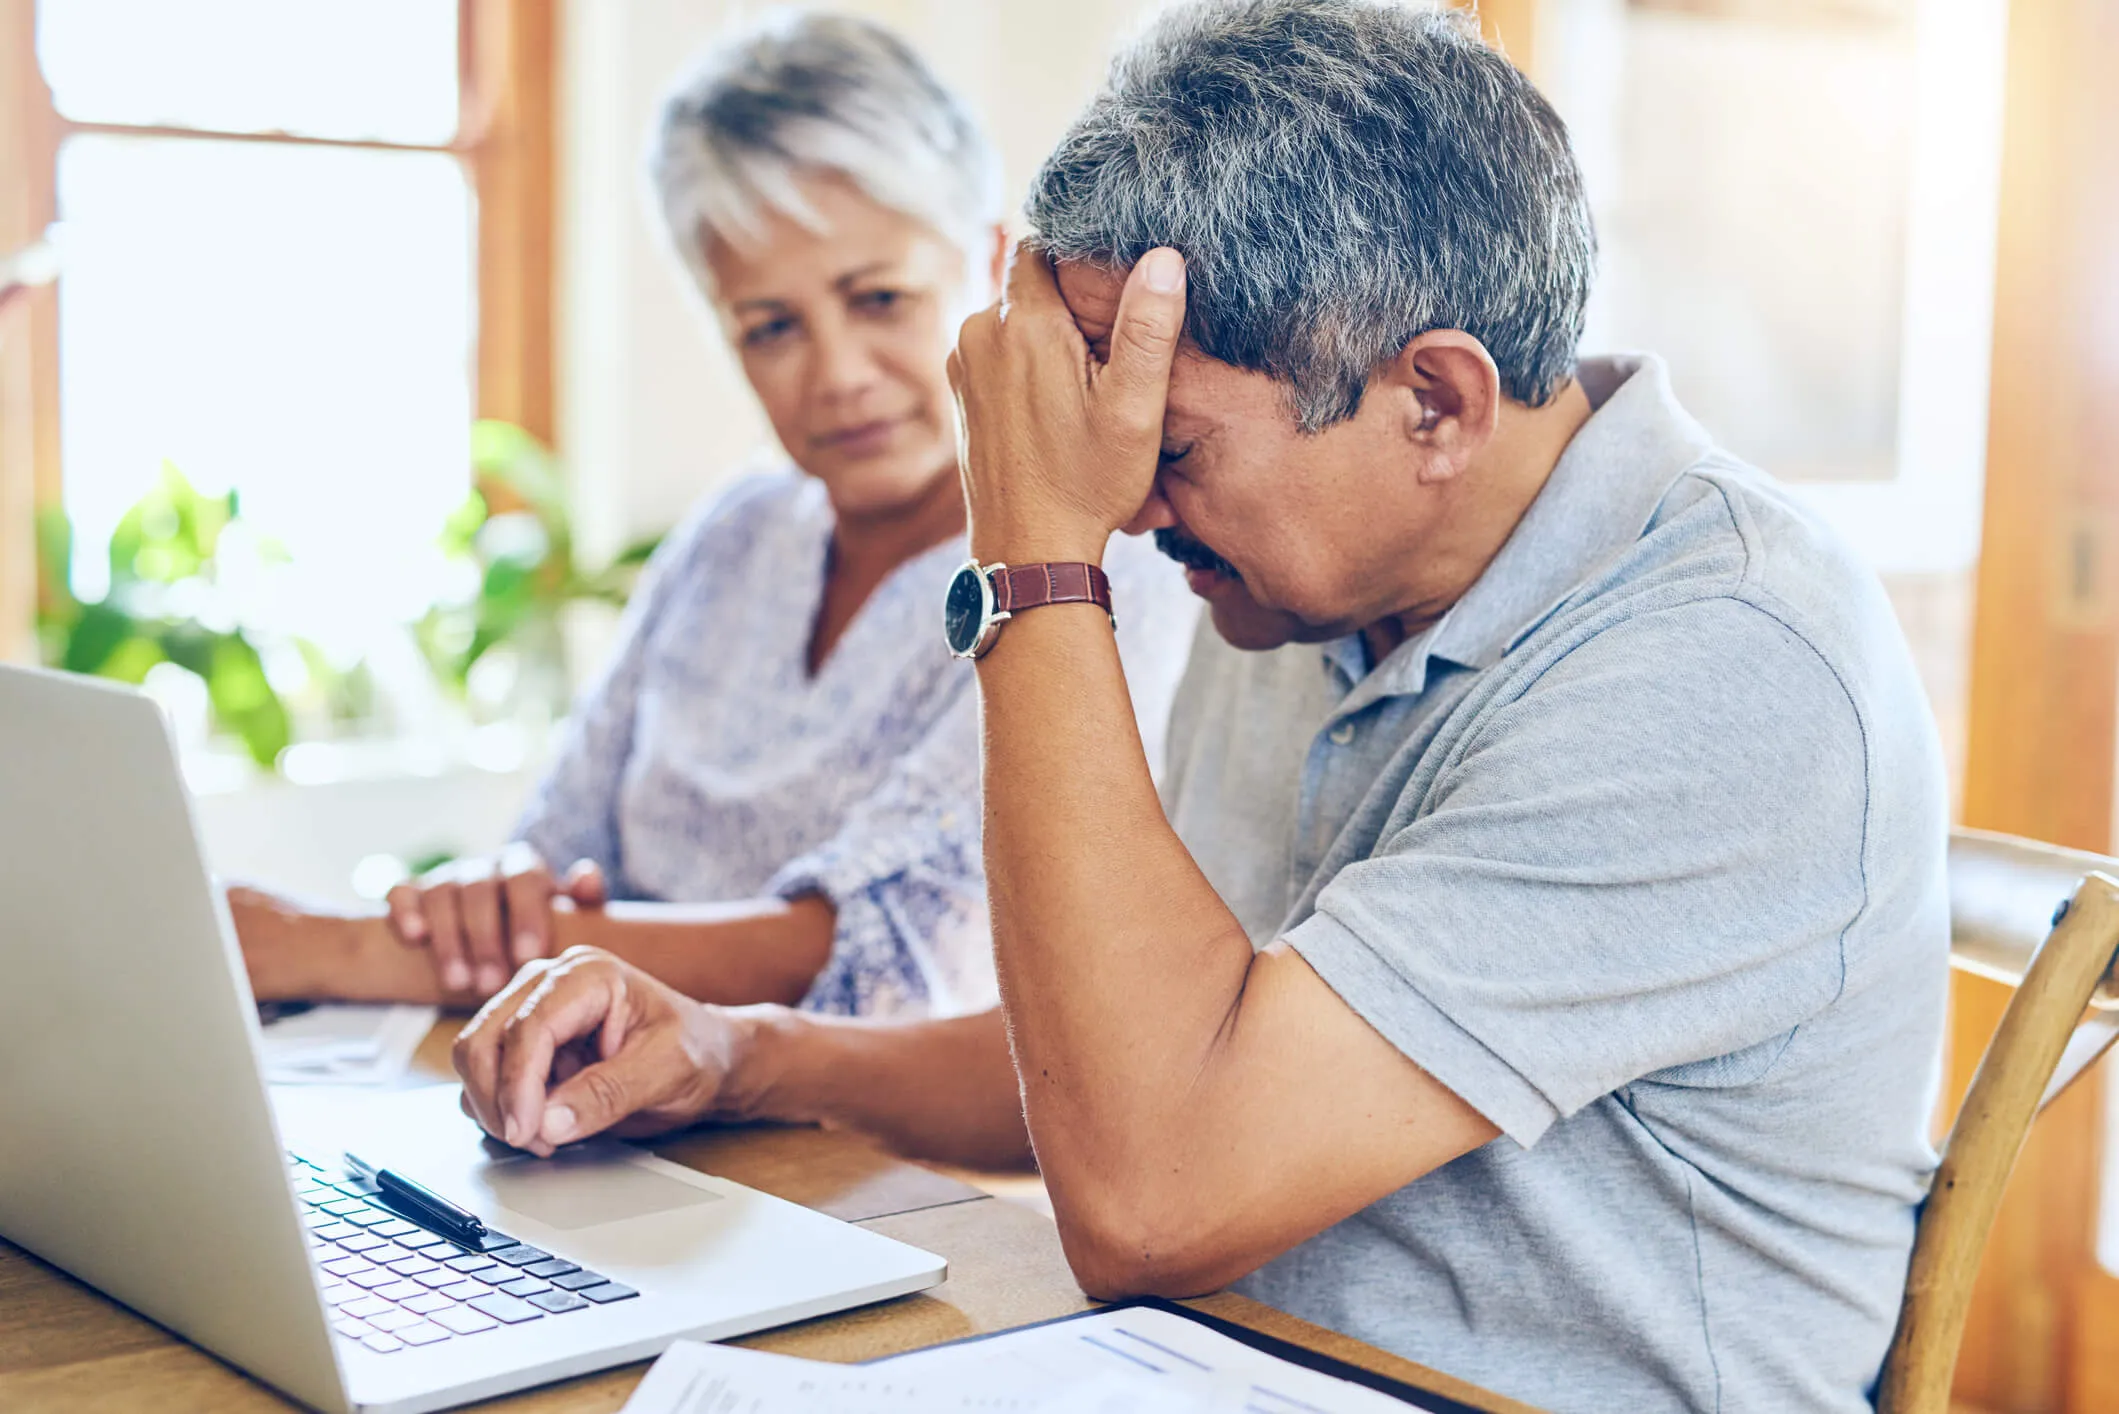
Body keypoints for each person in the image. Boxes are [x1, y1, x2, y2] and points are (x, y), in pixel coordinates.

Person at [450, 2, 1949, 1408]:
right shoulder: (1303, 578)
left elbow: (1152, 1196)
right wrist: (741, 1052)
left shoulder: (1719, 660)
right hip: (1230, 1362)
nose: (1118, 505)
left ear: (1433, 402)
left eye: (1160, 447)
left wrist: (1032, 565)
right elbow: (1151, 1044)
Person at [231, 11, 1194, 1113]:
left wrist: (323, 946)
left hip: (875, 1171)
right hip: (599, 1124)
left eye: (877, 299)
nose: (835, 374)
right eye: (769, 326)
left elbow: (888, 957)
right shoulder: (738, 526)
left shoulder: (1100, 563)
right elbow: (547, 854)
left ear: (986, 263)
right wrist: (487, 903)